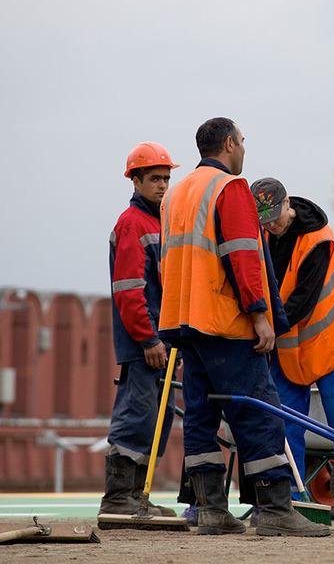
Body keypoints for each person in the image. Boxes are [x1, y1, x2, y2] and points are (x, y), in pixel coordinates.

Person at [158, 117, 329, 538]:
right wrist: (259, 313)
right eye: (243, 141)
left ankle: (211, 509)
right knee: (257, 410)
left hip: (183, 320)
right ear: (230, 143)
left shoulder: (176, 194)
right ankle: (274, 508)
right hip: (223, 322)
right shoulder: (229, 189)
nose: (244, 150)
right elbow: (242, 256)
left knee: (200, 414)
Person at [249, 177, 334, 532]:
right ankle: (293, 506)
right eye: (263, 221)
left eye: (275, 217)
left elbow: (301, 301)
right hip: (290, 348)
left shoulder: (317, 240)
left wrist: (265, 328)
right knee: (284, 425)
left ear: (287, 205)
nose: (271, 225)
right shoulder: (263, 237)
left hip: (332, 343)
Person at [100, 143, 180, 520]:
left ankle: (138, 497)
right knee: (137, 414)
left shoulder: (160, 222)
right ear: (136, 180)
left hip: (161, 341)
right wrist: (147, 338)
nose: (162, 185)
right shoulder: (133, 223)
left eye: (166, 178)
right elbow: (130, 289)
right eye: (154, 179)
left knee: (157, 418)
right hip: (144, 344)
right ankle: (119, 498)